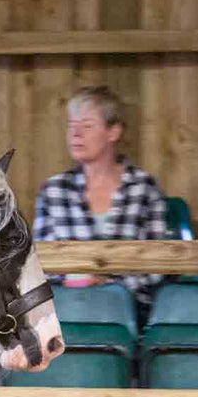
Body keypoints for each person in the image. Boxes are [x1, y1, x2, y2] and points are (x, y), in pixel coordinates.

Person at [33, 85, 167, 321]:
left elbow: (159, 263)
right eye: (71, 126)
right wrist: (72, 279)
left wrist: (110, 284)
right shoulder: (54, 191)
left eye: (86, 126)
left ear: (113, 132)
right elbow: (41, 263)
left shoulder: (143, 188)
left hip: (128, 312)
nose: (76, 135)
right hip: (66, 309)